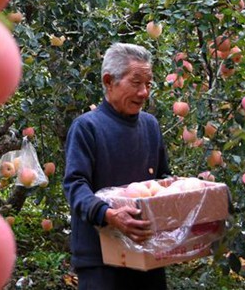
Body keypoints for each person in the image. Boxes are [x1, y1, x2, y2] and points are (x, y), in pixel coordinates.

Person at [63, 42, 171, 290]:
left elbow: (163, 179)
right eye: (136, 83)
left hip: (146, 253)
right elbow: (75, 185)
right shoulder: (87, 127)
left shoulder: (150, 125)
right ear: (109, 81)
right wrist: (109, 215)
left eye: (148, 84)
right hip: (101, 260)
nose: (144, 92)